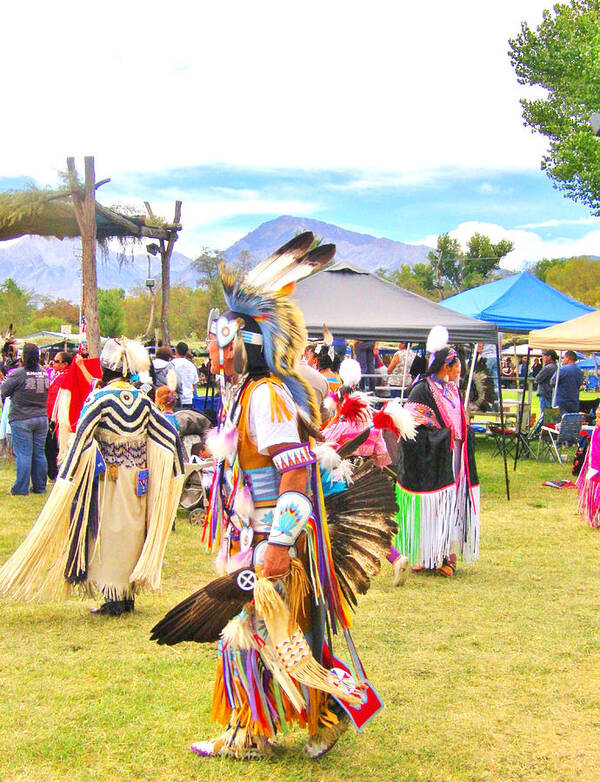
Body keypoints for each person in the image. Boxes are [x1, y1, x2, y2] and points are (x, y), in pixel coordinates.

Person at [152, 233, 395, 761]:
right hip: (254, 535)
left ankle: (323, 719)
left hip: (275, 537)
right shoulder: (243, 394)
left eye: (221, 341)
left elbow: (296, 470)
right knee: (255, 635)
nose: (213, 353)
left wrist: (279, 543)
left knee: (284, 636)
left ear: (245, 343)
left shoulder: (265, 396)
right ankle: (252, 731)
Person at [0, 338, 186, 616]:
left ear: (107, 371)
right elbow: (169, 435)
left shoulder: (100, 400)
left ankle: (113, 599)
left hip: (109, 481)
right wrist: (176, 472)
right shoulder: (142, 401)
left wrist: (67, 475)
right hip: (138, 482)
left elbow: (82, 437)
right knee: (132, 532)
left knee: (109, 534)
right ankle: (126, 596)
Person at [394, 326, 480, 578]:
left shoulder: (452, 390)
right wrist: (443, 437)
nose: (459, 371)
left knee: (450, 505)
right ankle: (426, 554)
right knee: (432, 506)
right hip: (432, 459)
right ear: (446, 366)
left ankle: (446, 555)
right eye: (456, 366)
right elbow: (411, 431)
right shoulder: (422, 390)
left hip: (453, 457)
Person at [1, 343, 49, 496]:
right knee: (39, 453)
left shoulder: (18, 373)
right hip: (41, 417)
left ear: (23, 356)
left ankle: (21, 489)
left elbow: (4, 390)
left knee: (23, 454)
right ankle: (40, 486)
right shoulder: (44, 372)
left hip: (22, 418)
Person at [45, 351, 74, 481]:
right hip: (55, 417)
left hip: (59, 418)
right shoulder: (60, 376)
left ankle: (55, 473)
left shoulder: (66, 378)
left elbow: (54, 398)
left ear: (65, 364)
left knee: (54, 447)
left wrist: (52, 416)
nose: (53, 363)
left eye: (56, 361)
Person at [551, 350, 584, 417]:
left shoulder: (563, 369)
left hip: (561, 402)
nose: (563, 360)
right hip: (574, 401)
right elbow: (580, 385)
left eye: (564, 358)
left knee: (558, 423)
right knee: (572, 423)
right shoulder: (579, 371)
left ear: (568, 358)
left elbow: (552, 382)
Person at [169, 341, 199, 410]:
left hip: (175, 400)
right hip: (189, 399)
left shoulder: (171, 364)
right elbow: (194, 384)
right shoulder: (191, 365)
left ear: (176, 351)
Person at [534, 350, 558, 420]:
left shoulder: (548, 367)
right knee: (551, 414)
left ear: (549, 357)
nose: (543, 358)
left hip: (545, 392)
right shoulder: (555, 366)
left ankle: (545, 428)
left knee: (544, 414)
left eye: (545, 356)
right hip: (551, 393)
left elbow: (538, 378)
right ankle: (549, 427)